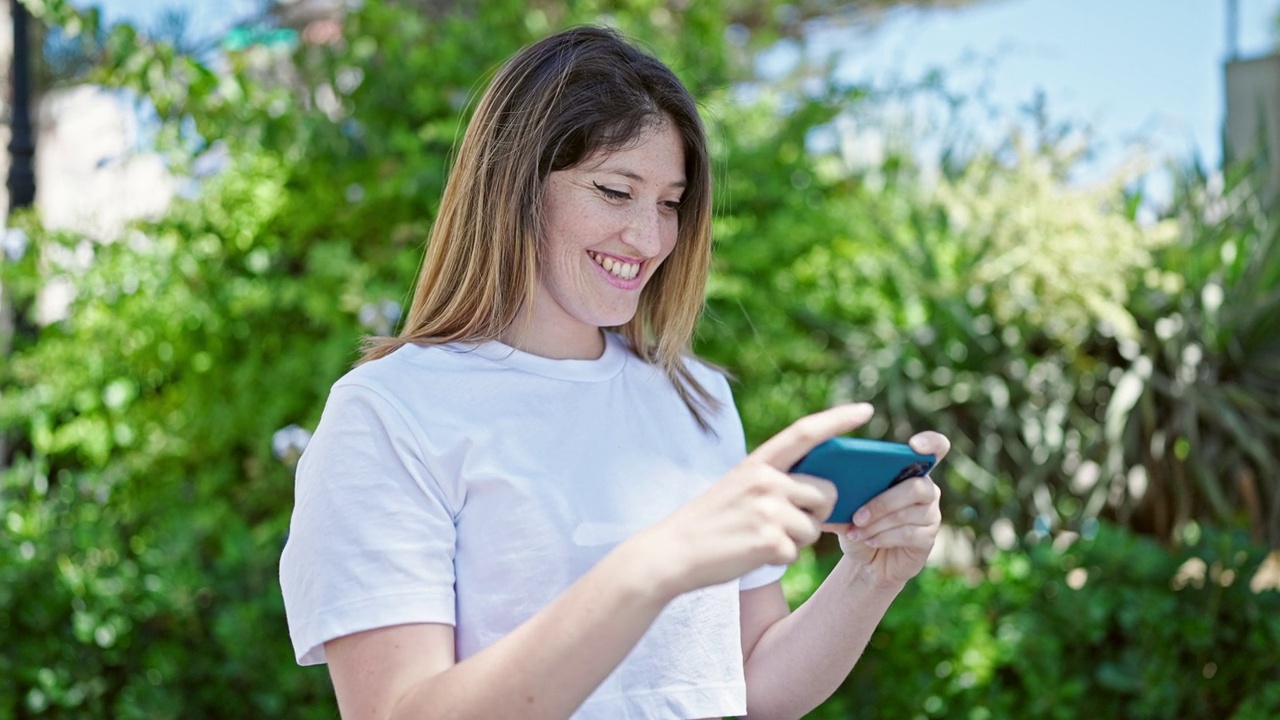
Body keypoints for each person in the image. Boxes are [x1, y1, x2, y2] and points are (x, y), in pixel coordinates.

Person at [279, 24, 948, 720]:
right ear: (515, 184)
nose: (651, 237)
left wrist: (868, 577)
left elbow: (747, 688)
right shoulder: (390, 411)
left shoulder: (697, 399)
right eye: (614, 190)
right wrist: (653, 566)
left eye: (669, 202)